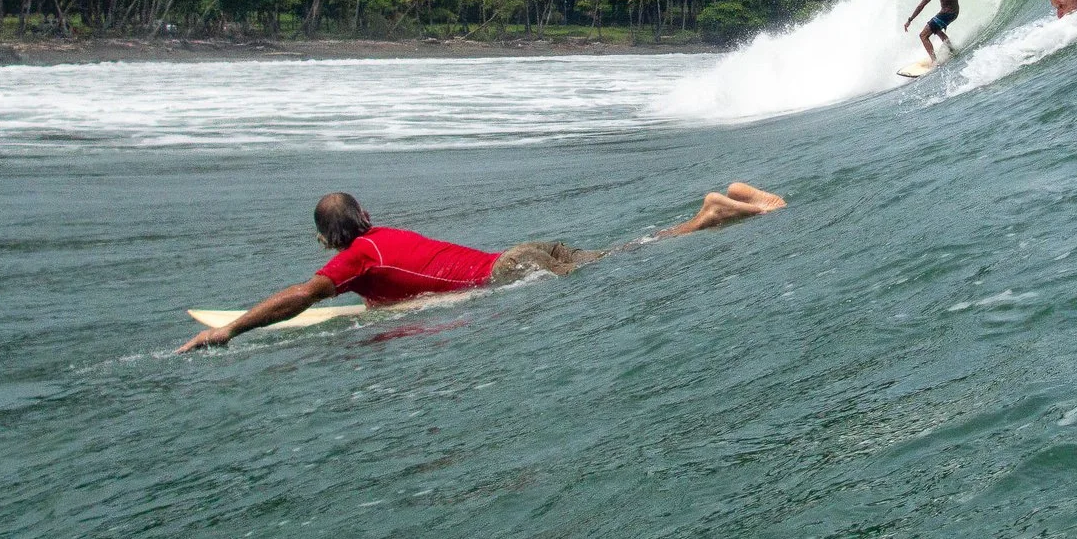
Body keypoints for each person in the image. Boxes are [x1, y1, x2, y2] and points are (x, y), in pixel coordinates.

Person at [177, 181, 786, 351]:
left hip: (509, 275)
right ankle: (711, 210)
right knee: (618, 254)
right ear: (365, 215)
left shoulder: (358, 259)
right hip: (515, 255)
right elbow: (403, 280)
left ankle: (712, 214)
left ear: (324, 240)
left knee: (620, 264)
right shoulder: (383, 240)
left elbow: (301, 296)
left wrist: (233, 327)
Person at [903, 0, 1003, 63]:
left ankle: (935, 62)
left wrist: (910, 20)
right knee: (935, 28)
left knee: (923, 35)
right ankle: (952, 49)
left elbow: (921, 5)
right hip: (955, 13)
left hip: (945, 14)